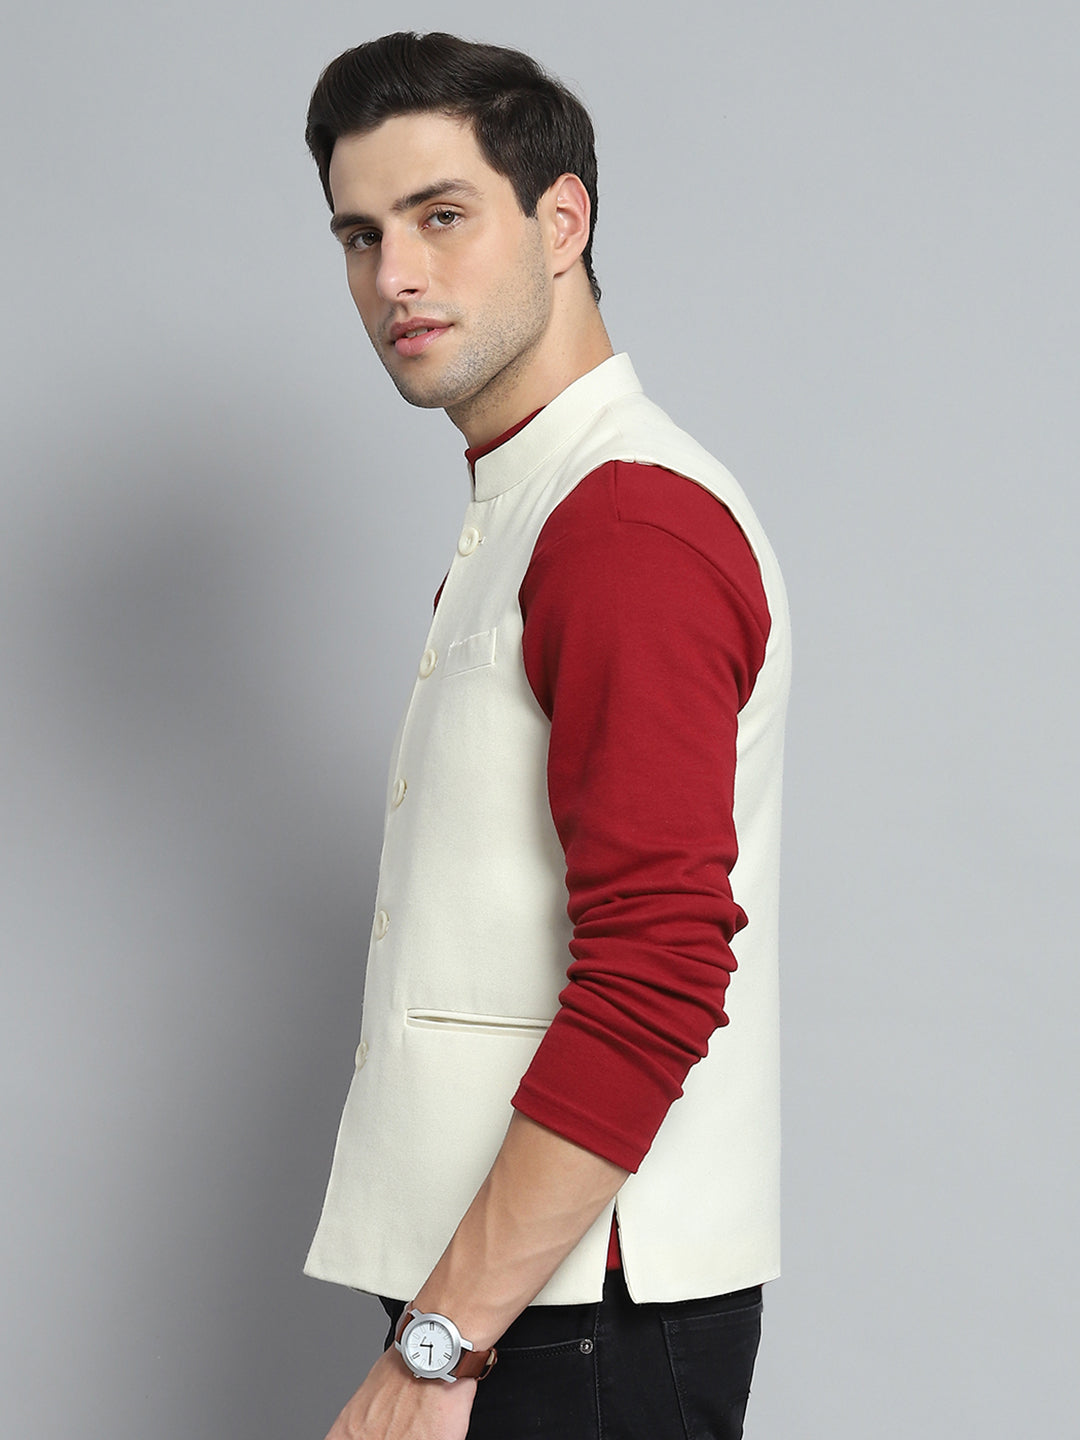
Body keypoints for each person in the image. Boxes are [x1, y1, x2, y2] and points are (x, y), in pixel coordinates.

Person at [301, 31, 790, 1440]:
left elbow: (661, 961)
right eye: (360, 235)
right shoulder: (533, 506)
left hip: (570, 1317)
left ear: (561, 222)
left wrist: (438, 1348)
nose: (394, 275)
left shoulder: (624, 522)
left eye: (442, 216)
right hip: (522, 1303)